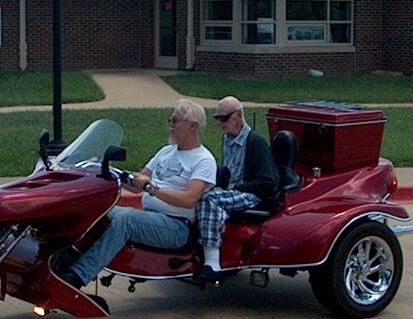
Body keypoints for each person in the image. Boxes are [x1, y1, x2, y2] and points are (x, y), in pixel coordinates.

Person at [54, 98, 218, 289]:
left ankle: (77, 276)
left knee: (126, 219)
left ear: (193, 126)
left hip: (176, 226)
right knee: (97, 210)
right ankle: (64, 258)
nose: (170, 125)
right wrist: (107, 169)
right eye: (170, 120)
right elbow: (138, 183)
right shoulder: (166, 152)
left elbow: (190, 200)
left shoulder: (204, 160)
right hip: (149, 216)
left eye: (175, 121)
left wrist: (152, 189)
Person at [193, 96, 278, 282]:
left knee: (208, 200)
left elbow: (268, 182)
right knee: (196, 194)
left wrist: (235, 186)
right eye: (217, 118)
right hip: (231, 192)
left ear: (238, 115)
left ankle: (213, 264)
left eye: (223, 118)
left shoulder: (255, 143)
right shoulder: (227, 139)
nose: (219, 123)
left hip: (251, 195)